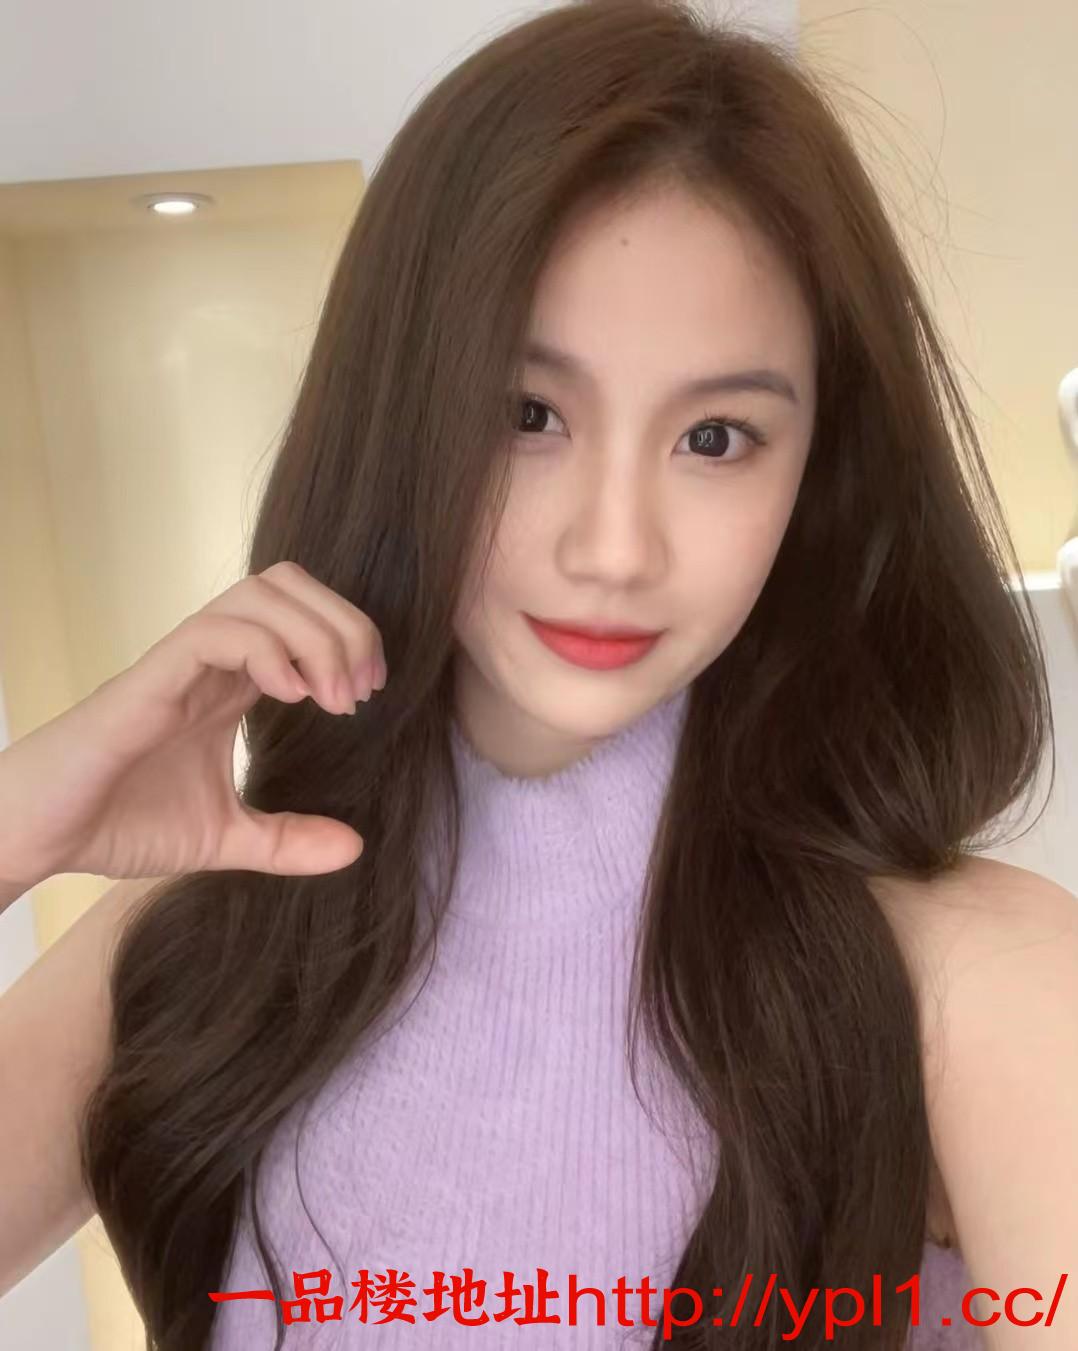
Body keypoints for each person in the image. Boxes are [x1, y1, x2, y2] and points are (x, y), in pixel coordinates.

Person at [1, 0, 1076, 1347]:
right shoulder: (200, 948)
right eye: (527, 415)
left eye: (716, 438)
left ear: (818, 476)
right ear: (400, 418)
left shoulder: (970, 979)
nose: (612, 549)